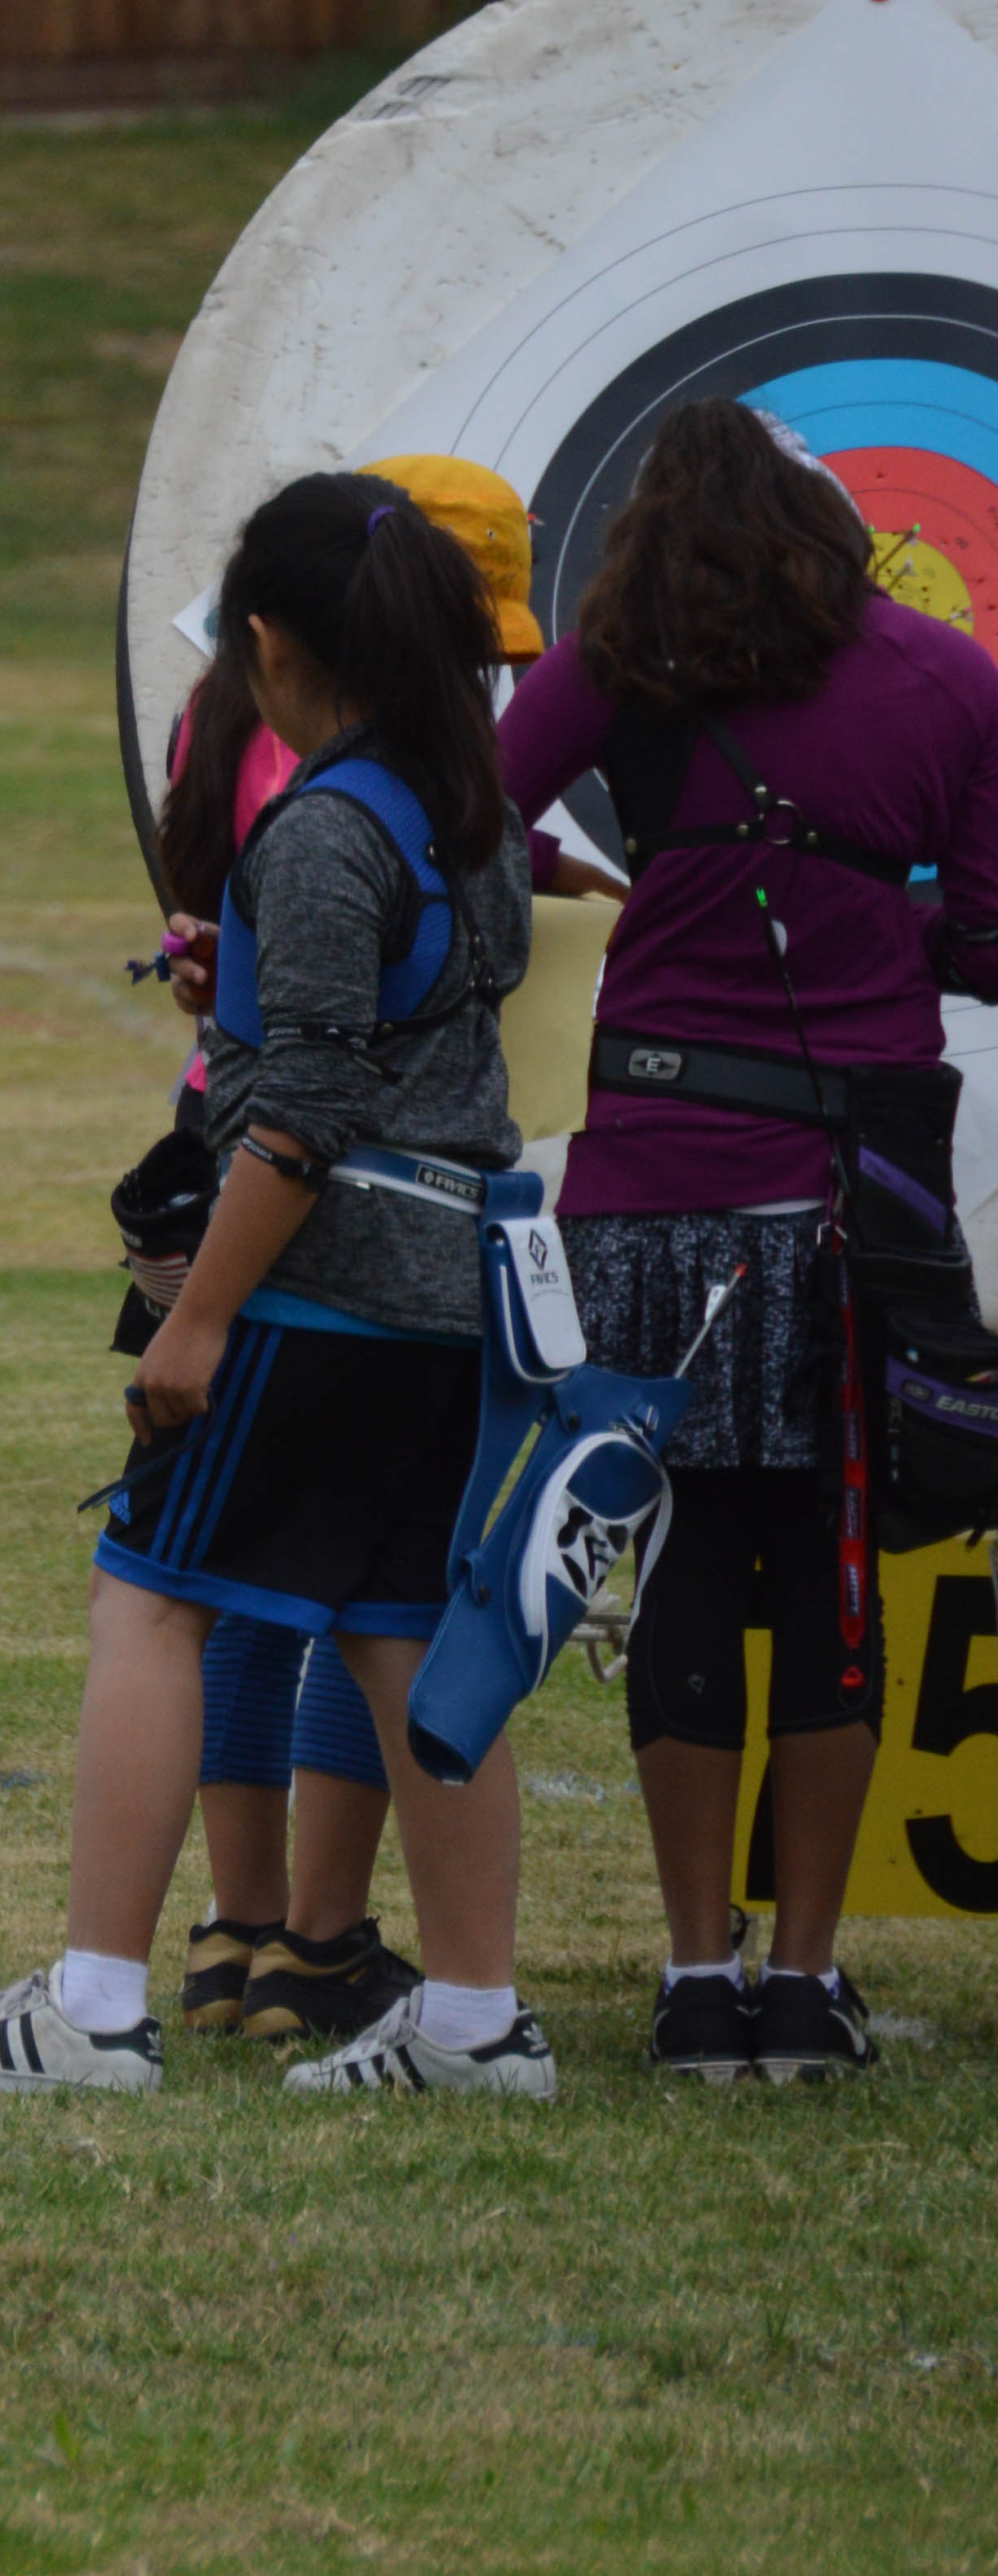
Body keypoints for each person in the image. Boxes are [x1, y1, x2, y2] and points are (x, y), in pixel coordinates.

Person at [0, 477, 549, 2096]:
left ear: (267, 641)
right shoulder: (460, 806)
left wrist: (194, 1318)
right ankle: (476, 2022)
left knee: (148, 1591)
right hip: (445, 1303)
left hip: (316, 1293)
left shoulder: (324, 823)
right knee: (413, 1631)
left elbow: (305, 1107)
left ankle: (91, 2006)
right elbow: (403, 1019)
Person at [499, 399, 998, 2082]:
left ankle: (689, 1975)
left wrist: (612, 878)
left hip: (643, 1184)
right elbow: (988, 937)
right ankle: (801, 1980)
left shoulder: (613, 660)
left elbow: (464, 809)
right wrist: (868, 903)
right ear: (826, 516)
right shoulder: (949, 678)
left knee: (685, 1567)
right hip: (842, 1195)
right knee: (828, 1566)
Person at [140, 631, 405, 2047]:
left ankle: (235, 1937)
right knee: (376, 1583)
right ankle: (316, 1945)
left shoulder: (211, 710)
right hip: (342, 1195)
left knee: (238, 1578)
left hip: (213, 1144)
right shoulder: (399, 743)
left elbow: (207, 909)